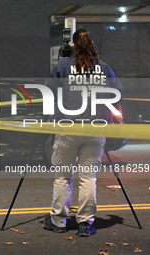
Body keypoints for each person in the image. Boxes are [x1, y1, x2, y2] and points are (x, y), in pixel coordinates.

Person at [43, 29, 123, 237]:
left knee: (62, 176)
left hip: (68, 128)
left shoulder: (63, 67)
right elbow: (118, 92)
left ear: (74, 46)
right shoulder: (103, 68)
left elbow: (48, 92)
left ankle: (58, 221)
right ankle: (85, 223)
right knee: (88, 177)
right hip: (96, 129)